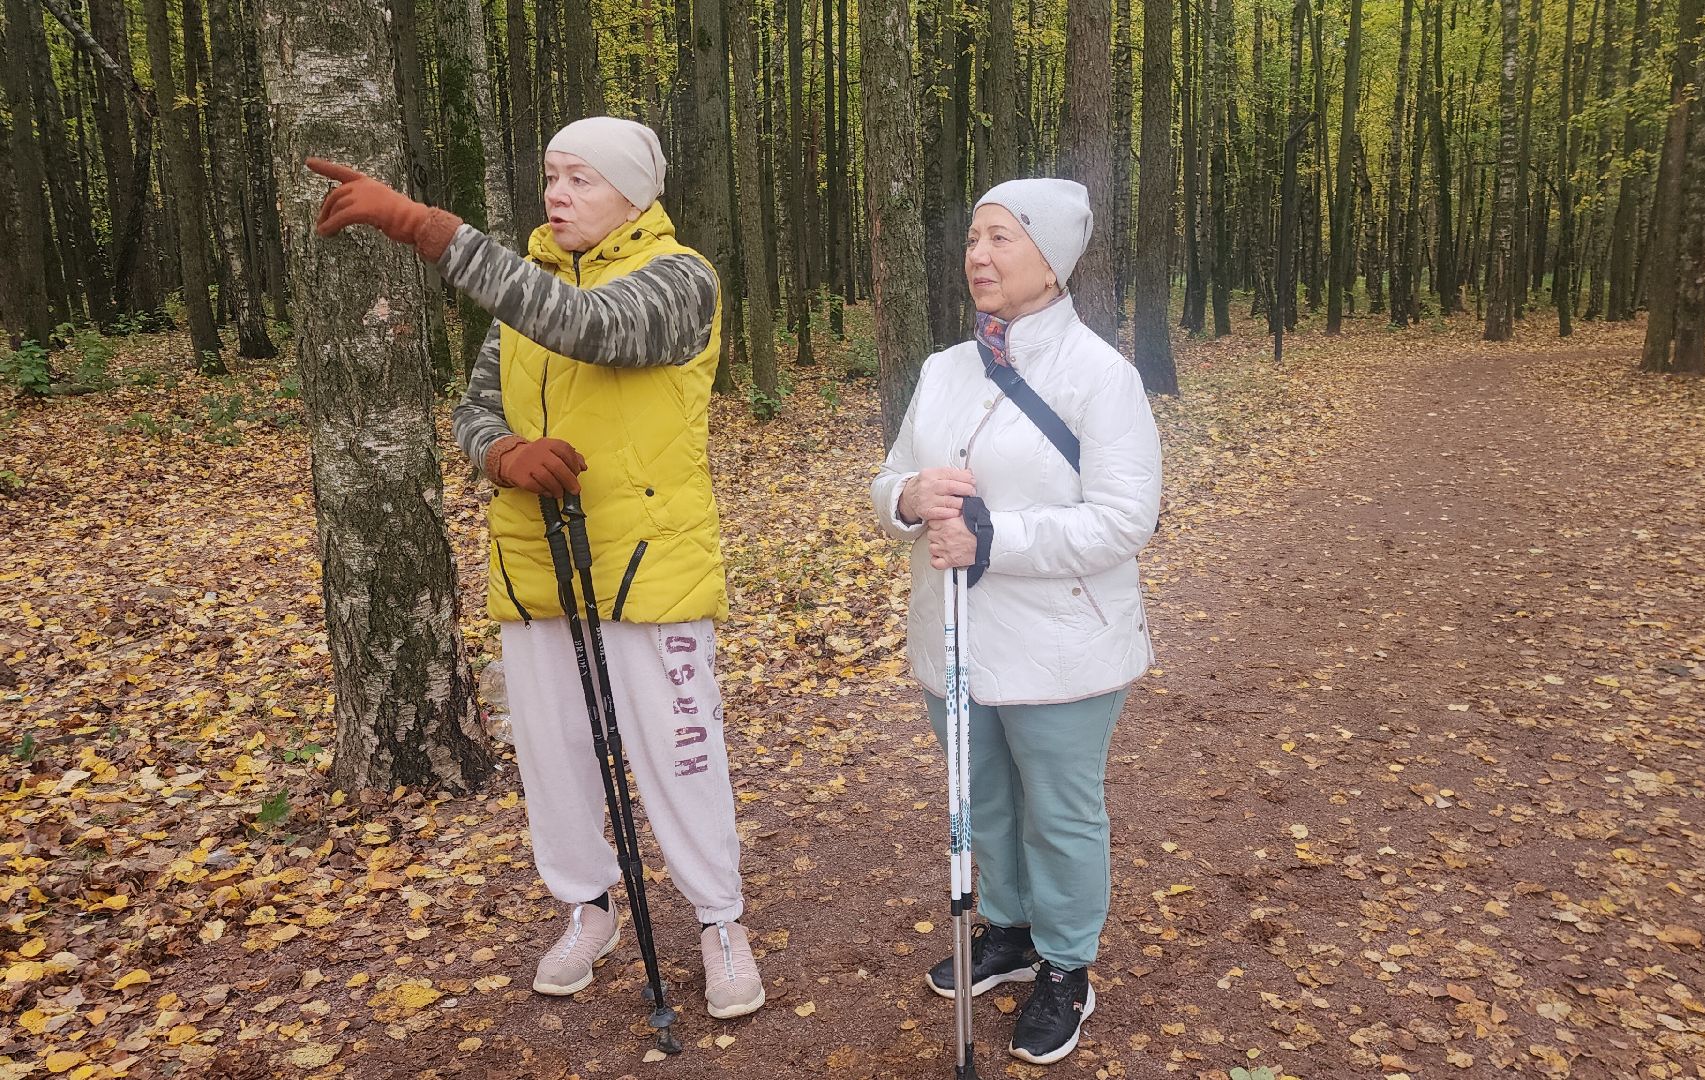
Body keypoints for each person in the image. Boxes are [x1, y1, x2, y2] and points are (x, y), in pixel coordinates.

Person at [306, 116, 763, 1020]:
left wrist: (430, 231)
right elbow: (476, 407)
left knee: (679, 753)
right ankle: (586, 906)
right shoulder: (530, 287)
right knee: (554, 757)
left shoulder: (680, 281)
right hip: (536, 557)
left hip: (647, 563)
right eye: (550, 176)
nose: (556, 195)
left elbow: (593, 328)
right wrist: (501, 453)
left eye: (580, 179)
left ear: (634, 195)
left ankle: (719, 920)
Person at [870, 178, 1162, 1065]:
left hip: (1062, 645)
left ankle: (1068, 966)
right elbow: (889, 483)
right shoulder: (943, 369)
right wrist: (911, 499)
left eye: (1000, 239)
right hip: (952, 636)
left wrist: (995, 535)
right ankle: (1008, 928)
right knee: (981, 796)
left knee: (1062, 815)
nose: (979, 257)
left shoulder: (1101, 378)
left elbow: (1124, 521)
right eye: (971, 239)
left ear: (1052, 258)